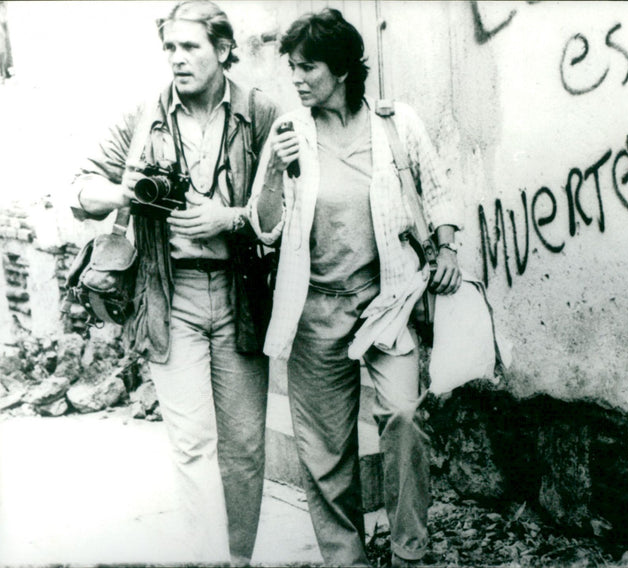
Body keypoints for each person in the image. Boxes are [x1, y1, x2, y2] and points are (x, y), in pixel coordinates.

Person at [249, 8, 463, 567]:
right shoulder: (289, 132)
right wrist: (275, 169)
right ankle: (345, 557)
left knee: (404, 417)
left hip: (386, 303)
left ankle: (409, 549)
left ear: (342, 69)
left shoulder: (395, 124)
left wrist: (446, 247)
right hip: (314, 308)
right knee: (325, 450)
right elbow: (264, 225)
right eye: (292, 67)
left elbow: (438, 190)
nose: (296, 79)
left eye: (308, 67)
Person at [70, 1, 279, 563]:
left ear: (224, 49)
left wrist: (228, 218)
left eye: (190, 47)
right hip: (171, 295)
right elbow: (81, 188)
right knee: (192, 444)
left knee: (245, 449)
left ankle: (238, 560)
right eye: (170, 47)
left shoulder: (260, 113)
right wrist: (127, 192)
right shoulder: (145, 115)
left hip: (241, 295)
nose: (177, 59)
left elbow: (280, 211)